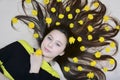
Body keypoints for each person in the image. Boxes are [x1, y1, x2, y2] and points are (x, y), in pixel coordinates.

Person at [0, 0, 120, 80]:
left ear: (62, 51)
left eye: (58, 44)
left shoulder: (53, 77)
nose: (50, 45)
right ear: (44, 37)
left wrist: (35, 69)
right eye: (49, 38)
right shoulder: (20, 46)